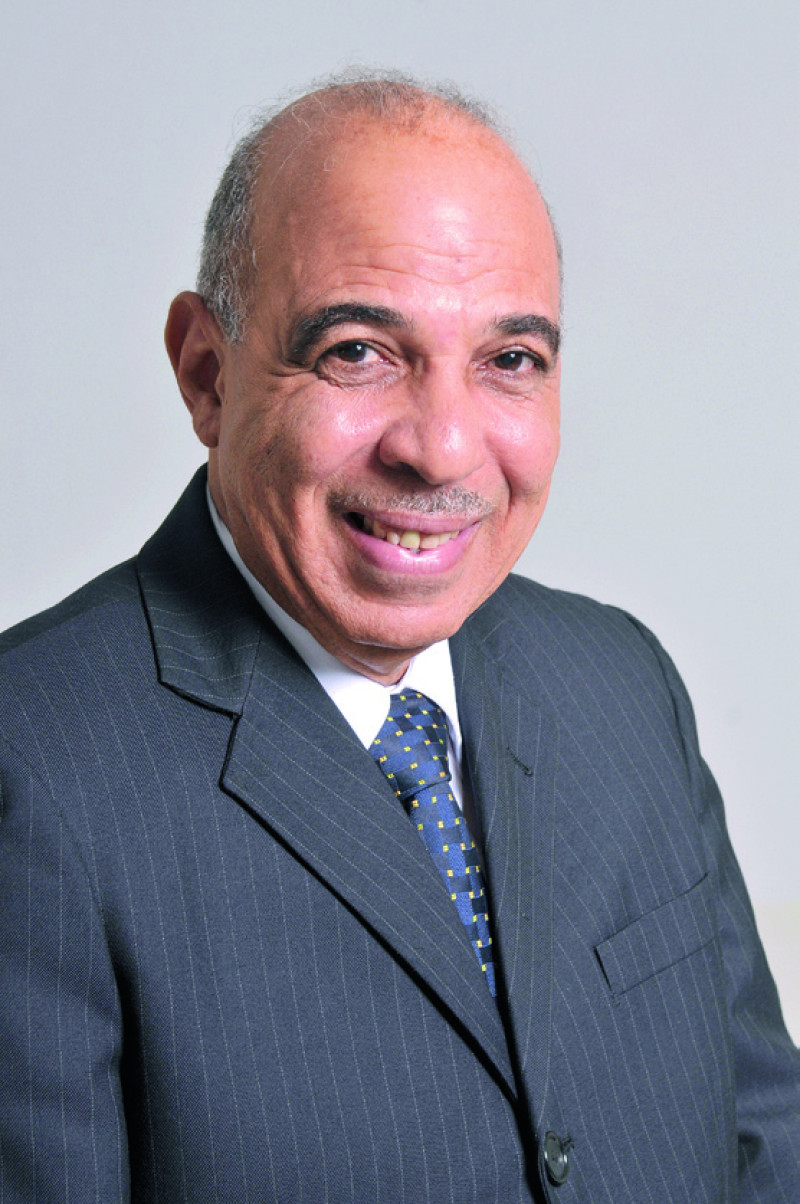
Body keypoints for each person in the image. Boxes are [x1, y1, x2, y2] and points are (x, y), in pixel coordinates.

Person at [1, 73, 798, 1203]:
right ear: (206, 375)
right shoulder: (32, 766)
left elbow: (767, 1145)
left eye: (509, 360)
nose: (441, 448)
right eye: (358, 351)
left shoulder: (622, 683)